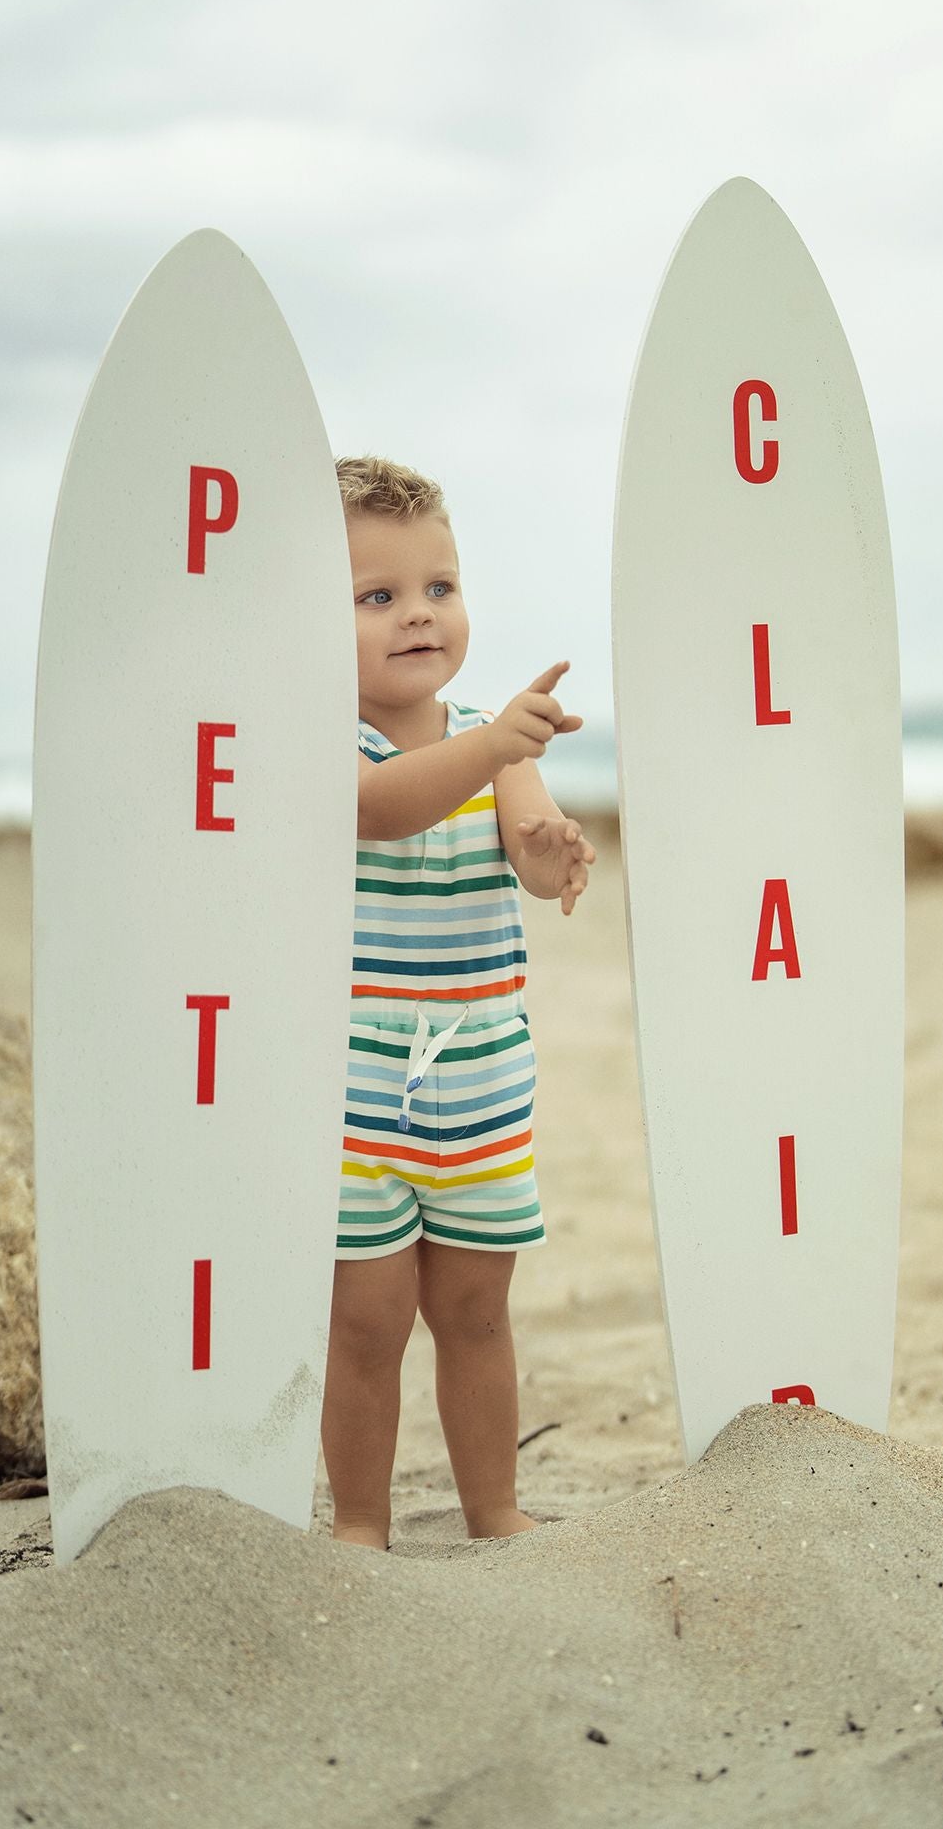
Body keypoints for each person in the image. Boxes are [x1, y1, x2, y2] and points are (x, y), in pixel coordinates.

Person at [321, 454, 595, 1551]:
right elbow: (380, 809)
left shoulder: (492, 733)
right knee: (368, 1318)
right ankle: (359, 1519)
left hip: (480, 1076)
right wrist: (491, 749)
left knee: (477, 1311)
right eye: (376, 596)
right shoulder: (332, 743)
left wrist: (549, 846)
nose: (417, 616)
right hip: (360, 1085)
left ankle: (494, 1507)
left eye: (438, 587)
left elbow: (523, 839)